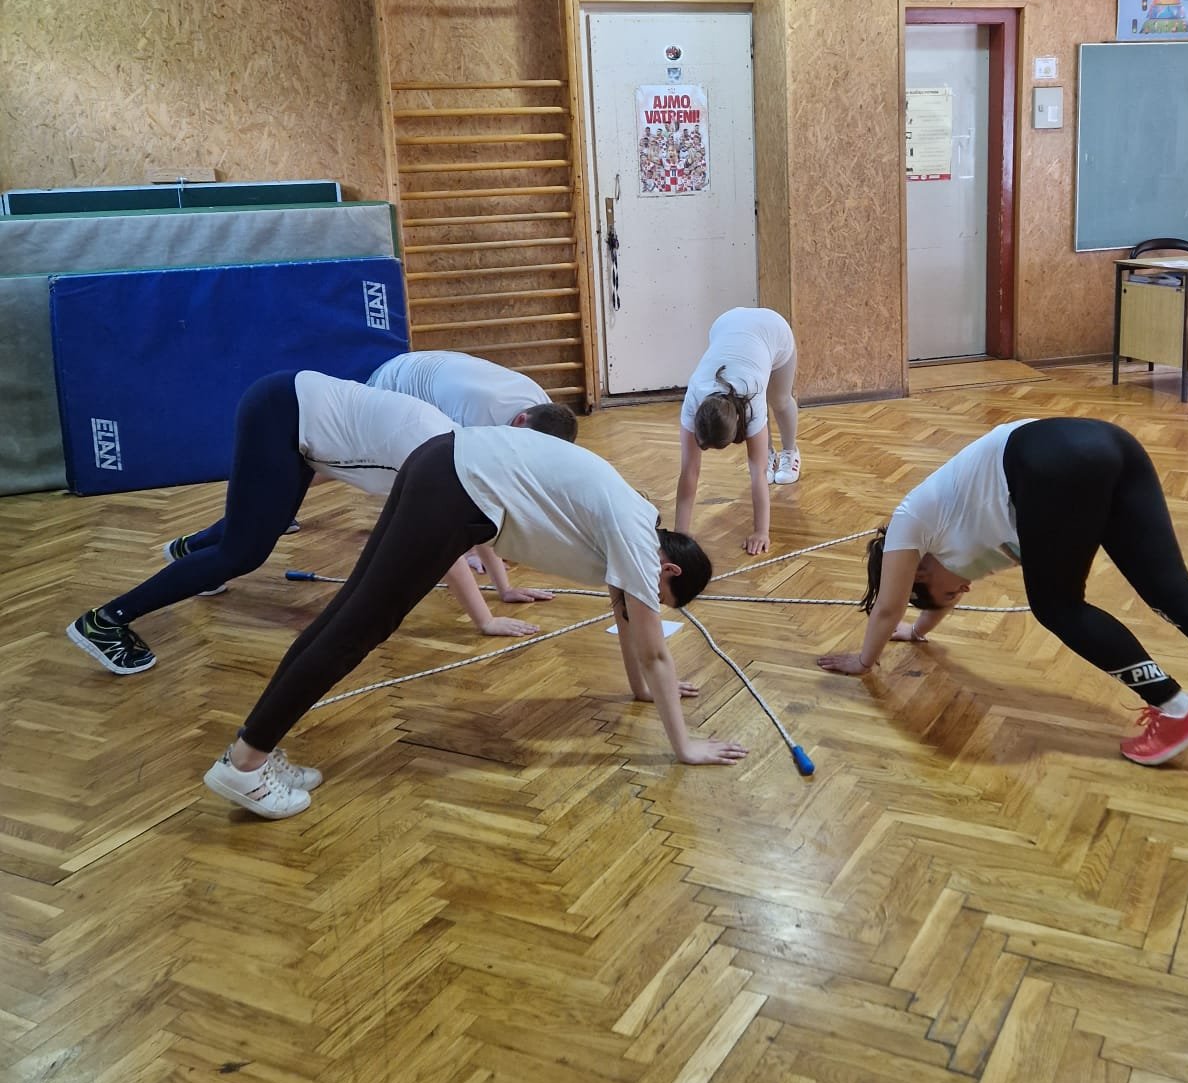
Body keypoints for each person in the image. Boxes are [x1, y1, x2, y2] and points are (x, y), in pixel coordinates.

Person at [202, 427, 745, 817]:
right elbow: (654, 649)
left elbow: (625, 618)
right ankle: (246, 764)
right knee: (358, 627)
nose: (650, 602)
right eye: (661, 596)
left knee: (348, 613)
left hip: (442, 461)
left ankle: (254, 749)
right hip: (457, 487)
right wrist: (685, 746)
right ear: (669, 569)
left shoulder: (633, 521)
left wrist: (643, 691)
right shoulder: (637, 539)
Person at [816, 417, 1188, 781]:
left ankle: (1176, 709)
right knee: (1173, 593)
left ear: (918, 570)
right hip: (1107, 443)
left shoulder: (910, 522)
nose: (961, 592)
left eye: (940, 591)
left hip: (1049, 460)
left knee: (1057, 606)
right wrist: (918, 632)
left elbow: (888, 605)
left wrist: (865, 659)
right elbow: (928, 602)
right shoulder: (966, 540)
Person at [66, 372, 542, 675]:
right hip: (283, 413)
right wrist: (484, 620)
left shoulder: (459, 447)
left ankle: (191, 553)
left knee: (262, 523)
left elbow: (467, 520)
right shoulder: (433, 456)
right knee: (244, 553)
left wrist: (502, 589)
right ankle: (105, 622)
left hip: (295, 419)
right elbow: (444, 548)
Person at [676, 307, 801, 557]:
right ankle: (768, 449)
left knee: (779, 400)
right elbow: (689, 471)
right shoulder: (694, 397)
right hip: (727, 323)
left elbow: (758, 473)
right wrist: (680, 536)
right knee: (761, 448)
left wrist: (761, 532)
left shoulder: (751, 396)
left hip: (772, 330)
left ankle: (790, 451)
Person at [368, 350, 577, 439]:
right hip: (393, 383)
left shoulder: (543, 407)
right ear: (521, 418)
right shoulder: (478, 417)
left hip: (434, 364)